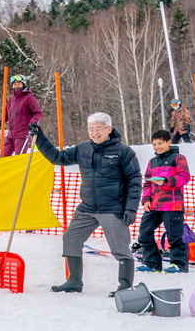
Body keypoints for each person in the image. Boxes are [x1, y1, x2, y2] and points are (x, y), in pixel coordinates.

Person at [30, 112, 141, 295]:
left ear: (109, 129)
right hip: (88, 207)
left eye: (98, 129)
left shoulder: (123, 151)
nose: (94, 133)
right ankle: (74, 281)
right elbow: (57, 158)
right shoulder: (83, 149)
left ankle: (125, 287)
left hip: (113, 207)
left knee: (120, 248)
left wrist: (131, 208)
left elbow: (134, 180)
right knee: (71, 238)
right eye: (91, 129)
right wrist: (40, 137)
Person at [137, 129, 190, 274]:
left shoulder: (178, 158)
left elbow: (184, 177)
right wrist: (146, 199)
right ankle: (152, 263)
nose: (157, 147)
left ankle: (178, 265)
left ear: (168, 142)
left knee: (174, 236)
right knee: (144, 233)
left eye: (160, 143)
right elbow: (147, 183)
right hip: (154, 205)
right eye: (154, 144)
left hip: (172, 205)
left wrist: (166, 181)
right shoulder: (152, 162)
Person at [1, 75, 42, 157]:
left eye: (19, 84)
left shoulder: (29, 98)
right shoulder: (11, 100)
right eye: (14, 84)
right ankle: (6, 170)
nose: (16, 86)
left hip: (22, 134)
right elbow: (6, 114)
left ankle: (22, 170)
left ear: (23, 84)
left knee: (19, 156)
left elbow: (38, 112)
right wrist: (1, 120)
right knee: (3, 156)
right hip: (11, 134)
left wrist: (32, 123)